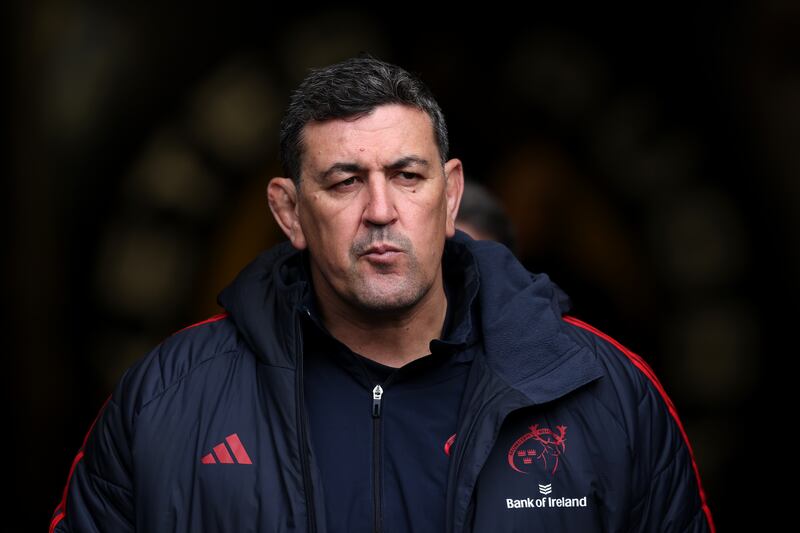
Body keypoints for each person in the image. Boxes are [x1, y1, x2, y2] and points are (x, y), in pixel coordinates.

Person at [51, 55, 715, 532]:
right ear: (288, 212)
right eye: (344, 180)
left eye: (407, 175)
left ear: (451, 195)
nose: (380, 209)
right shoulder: (170, 399)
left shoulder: (605, 394)